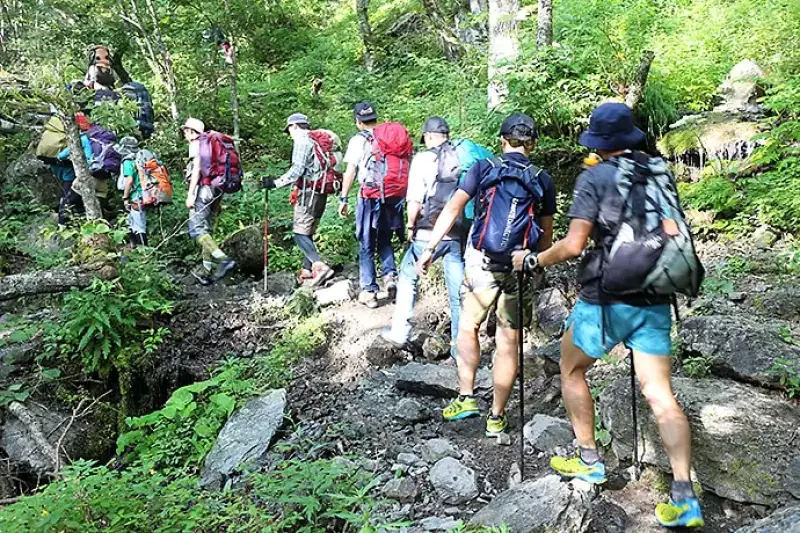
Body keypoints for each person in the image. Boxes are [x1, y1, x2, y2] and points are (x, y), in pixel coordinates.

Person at [516, 102, 703, 528]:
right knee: (660, 394)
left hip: (605, 297)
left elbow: (573, 245)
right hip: (655, 294)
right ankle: (685, 498)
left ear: (599, 143)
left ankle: (589, 459)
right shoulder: (658, 170)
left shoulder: (593, 177)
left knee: (571, 369)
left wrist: (532, 261)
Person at [417, 113, 557, 437]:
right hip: (519, 267)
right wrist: (539, 265)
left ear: (502, 140)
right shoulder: (542, 179)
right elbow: (546, 233)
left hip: (480, 262)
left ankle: (466, 396)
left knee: (468, 326)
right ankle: (496, 416)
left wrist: (429, 248)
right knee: (509, 342)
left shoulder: (485, 167)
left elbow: (453, 209)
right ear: (533, 143)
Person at [381, 117, 465, 357]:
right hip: (456, 232)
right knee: (457, 292)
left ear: (428, 137)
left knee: (408, 275)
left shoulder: (422, 159)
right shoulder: (461, 155)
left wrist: (409, 226)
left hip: (427, 231)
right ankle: (460, 349)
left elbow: (414, 200)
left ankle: (400, 332)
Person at [338, 101, 411, 308]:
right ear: (375, 119)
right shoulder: (390, 138)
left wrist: (343, 198)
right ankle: (390, 278)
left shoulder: (358, 141)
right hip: (394, 195)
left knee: (366, 242)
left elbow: (350, 172)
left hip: (369, 196)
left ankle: (369, 290)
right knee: (385, 239)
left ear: (358, 121)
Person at [261, 113, 335, 287]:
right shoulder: (314, 141)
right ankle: (307, 270)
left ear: (294, 126)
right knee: (308, 231)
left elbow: (297, 170)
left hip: (309, 193)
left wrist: (275, 183)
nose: (290, 134)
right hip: (320, 190)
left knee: (300, 233)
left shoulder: (302, 141)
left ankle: (319, 266)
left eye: (289, 130)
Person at [181, 117, 236, 285]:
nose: (184, 134)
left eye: (186, 130)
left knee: (196, 229)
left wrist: (190, 194)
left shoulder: (197, 144)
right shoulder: (214, 145)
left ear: (192, 131)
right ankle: (207, 272)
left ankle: (223, 260)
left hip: (203, 190)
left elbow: (197, 169)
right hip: (217, 190)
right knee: (207, 230)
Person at [116, 136, 148, 247]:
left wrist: (125, 198)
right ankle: (135, 249)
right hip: (145, 194)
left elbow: (129, 181)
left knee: (139, 226)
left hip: (136, 196)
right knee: (134, 222)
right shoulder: (141, 158)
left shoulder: (128, 161)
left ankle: (144, 253)